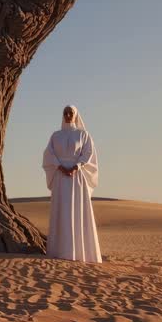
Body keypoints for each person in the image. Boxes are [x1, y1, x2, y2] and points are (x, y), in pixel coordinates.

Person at [41, 105, 102, 262]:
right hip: (61, 177)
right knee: (62, 211)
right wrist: (60, 166)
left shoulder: (83, 134)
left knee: (77, 211)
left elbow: (88, 153)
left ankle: (81, 253)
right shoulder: (56, 136)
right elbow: (49, 154)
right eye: (65, 113)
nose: (68, 115)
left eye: (71, 113)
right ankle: (60, 251)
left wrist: (77, 166)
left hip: (77, 178)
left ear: (75, 115)